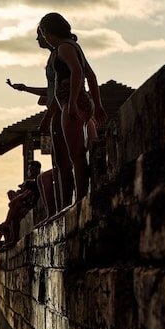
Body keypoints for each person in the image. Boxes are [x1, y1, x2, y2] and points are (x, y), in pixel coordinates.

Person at [37, 13, 107, 205]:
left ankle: (80, 199)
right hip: (77, 102)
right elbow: (91, 76)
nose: (43, 38)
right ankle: (73, 200)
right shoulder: (73, 46)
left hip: (71, 103)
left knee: (75, 155)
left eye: (43, 33)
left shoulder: (64, 48)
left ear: (49, 32)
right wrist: (98, 106)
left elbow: (77, 72)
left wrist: (73, 102)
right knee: (73, 155)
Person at [7, 28, 64, 217]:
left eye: (40, 34)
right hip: (57, 112)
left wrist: (48, 115)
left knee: (62, 162)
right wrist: (25, 88)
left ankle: (61, 208)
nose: (38, 39)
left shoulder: (62, 52)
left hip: (61, 113)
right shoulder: (55, 56)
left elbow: (58, 91)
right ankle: (53, 212)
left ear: (50, 34)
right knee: (57, 165)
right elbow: (50, 91)